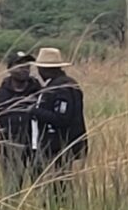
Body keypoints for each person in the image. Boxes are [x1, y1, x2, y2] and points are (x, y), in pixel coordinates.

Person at [29, 46, 88, 199]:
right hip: (58, 145)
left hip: (58, 145)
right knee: (56, 184)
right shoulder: (57, 84)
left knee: (57, 186)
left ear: (46, 69)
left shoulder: (61, 88)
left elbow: (62, 118)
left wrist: (34, 112)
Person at [0, 48, 44, 192]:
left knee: (40, 188)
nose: (25, 69)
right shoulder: (0, 95)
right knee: (12, 189)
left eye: (27, 66)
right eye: (20, 66)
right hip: (10, 148)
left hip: (35, 147)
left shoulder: (37, 90)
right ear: (10, 69)